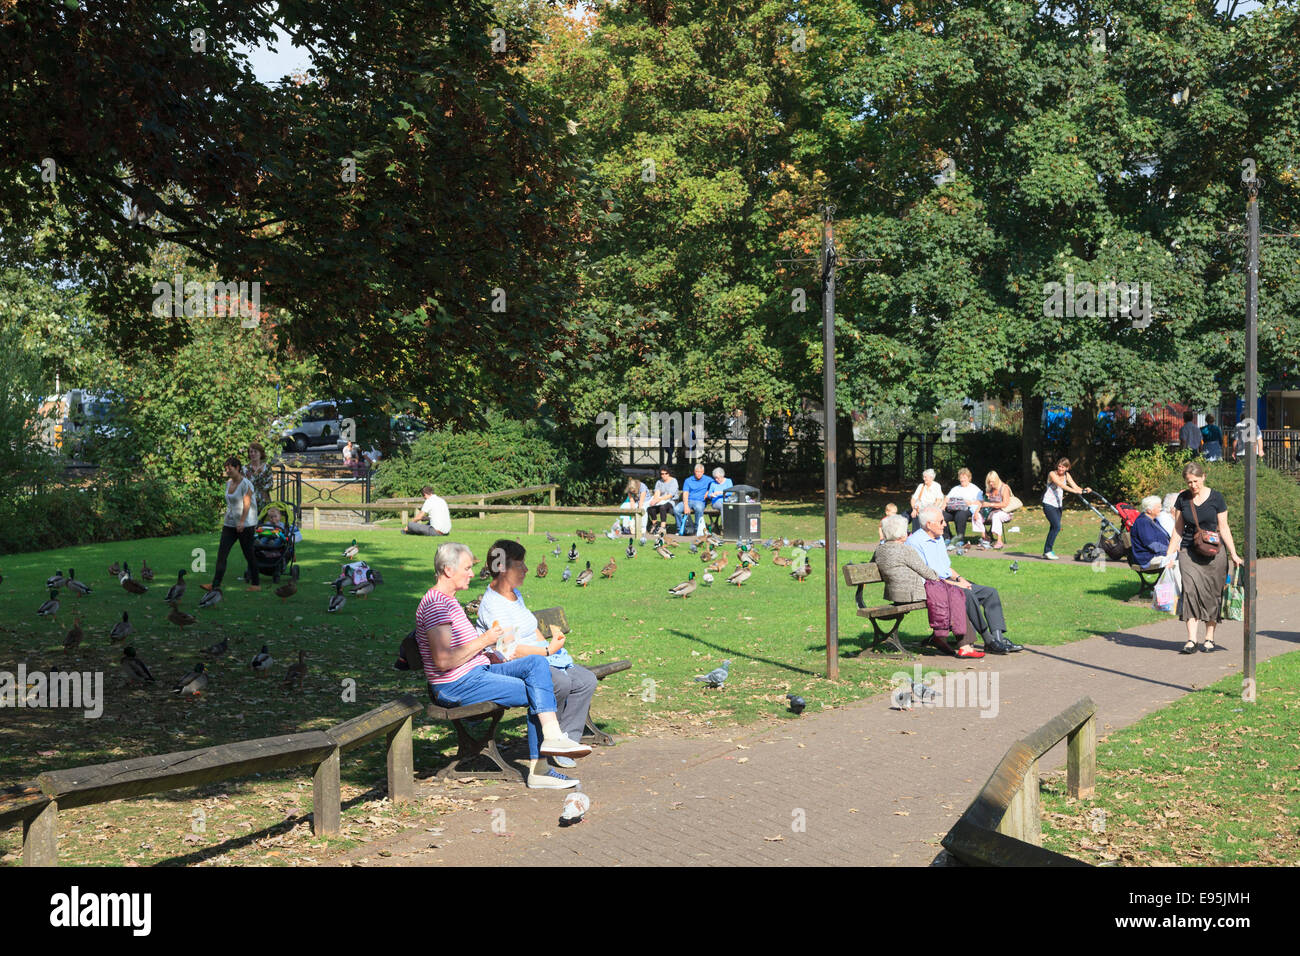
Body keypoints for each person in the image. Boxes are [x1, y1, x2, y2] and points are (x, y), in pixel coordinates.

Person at [416, 541, 590, 790]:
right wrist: (485, 641)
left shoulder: (449, 601)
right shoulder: (436, 605)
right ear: (447, 570)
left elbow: (466, 653)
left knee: (536, 664)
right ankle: (540, 768)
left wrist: (490, 655)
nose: (472, 573)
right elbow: (443, 661)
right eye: (466, 568)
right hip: (456, 685)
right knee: (539, 689)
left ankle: (552, 738)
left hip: (476, 672)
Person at [477, 539, 598, 769]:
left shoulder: (515, 594)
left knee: (585, 680)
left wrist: (555, 653)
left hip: (539, 658)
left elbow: (532, 629)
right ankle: (548, 740)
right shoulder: (494, 604)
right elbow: (509, 650)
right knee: (560, 683)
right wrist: (546, 651)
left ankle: (567, 740)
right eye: (520, 565)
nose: (526, 569)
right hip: (517, 665)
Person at [909, 507, 1022, 653]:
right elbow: (927, 577)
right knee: (966, 594)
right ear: (929, 524)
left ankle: (998, 639)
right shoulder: (915, 543)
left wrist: (960, 579)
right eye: (941, 521)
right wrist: (957, 584)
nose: (945, 524)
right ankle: (988, 640)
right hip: (933, 586)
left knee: (989, 592)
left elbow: (946, 567)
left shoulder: (938, 538)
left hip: (947, 581)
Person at [1159, 462, 1243, 654]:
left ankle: (1209, 638)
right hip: (1189, 551)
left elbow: (1224, 527)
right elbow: (1178, 530)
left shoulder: (1216, 498)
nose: (1193, 486)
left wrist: (1234, 554)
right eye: (1189, 482)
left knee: (1213, 594)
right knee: (1190, 591)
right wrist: (1169, 556)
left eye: (1195, 481)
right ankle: (1191, 640)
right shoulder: (1182, 499)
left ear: (1204, 477)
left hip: (1214, 553)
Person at [874, 514, 983, 658]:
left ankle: (941, 638)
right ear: (900, 534)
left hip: (894, 594)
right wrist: (946, 581)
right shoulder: (905, 550)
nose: (908, 533)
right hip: (911, 593)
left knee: (949, 593)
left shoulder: (880, 550)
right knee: (953, 594)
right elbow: (927, 573)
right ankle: (963, 645)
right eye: (906, 530)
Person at [203, 456, 260, 593]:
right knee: (222, 554)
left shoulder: (246, 484)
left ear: (238, 468)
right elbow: (230, 503)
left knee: (249, 554)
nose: (227, 470)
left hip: (245, 524)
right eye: (226, 468)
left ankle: (256, 584)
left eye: (230, 468)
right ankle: (215, 584)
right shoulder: (229, 483)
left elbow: (247, 504)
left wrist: (241, 522)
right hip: (230, 524)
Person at [1041, 458, 1089, 560]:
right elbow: (1061, 485)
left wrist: (1084, 490)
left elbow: (1075, 486)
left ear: (1067, 468)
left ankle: (1047, 551)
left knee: (1054, 527)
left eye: (1063, 467)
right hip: (1048, 504)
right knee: (1057, 526)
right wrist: (1075, 492)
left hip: (1058, 505)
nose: (1060, 469)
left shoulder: (1067, 475)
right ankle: (1048, 551)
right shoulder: (1052, 474)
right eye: (1059, 466)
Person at [1131, 496, 1182, 590]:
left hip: (1156, 555)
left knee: (1183, 559)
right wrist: (1170, 549)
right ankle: (1175, 593)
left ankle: (1175, 592)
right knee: (1176, 563)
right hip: (1147, 558)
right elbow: (1152, 545)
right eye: (1158, 507)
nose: (1161, 509)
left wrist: (1173, 547)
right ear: (1149, 510)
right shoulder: (1143, 522)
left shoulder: (1153, 521)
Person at [942, 468, 983, 550]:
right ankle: (947, 537)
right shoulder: (956, 488)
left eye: (964, 477)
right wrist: (942, 508)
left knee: (960, 515)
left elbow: (980, 501)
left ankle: (960, 539)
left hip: (966, 509)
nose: (962, 479)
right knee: (942, 515)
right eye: (961, 477)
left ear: (969, 478)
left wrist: (970, 503)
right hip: (953, 509)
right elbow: (947, 499)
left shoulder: (974, 488)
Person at [980, 471, 1015, 549]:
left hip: (1005, 512)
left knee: (996, 516)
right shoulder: (990, 489)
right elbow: (986, 502)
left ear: (997, 480)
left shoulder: (1004, 488)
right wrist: (986, 499)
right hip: (992, 512)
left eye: (992, 482)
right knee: (977, 515)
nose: (991, 484)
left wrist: (990, 504)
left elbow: (1005, 504)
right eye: (989, 482)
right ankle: (986, 537)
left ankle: (999, 541)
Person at [675, 462, 711, 537]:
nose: (698, 474)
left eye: (700, 472)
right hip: (688, 500)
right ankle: (681, 529)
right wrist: (685, 505)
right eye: (697, 472)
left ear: (703, 472)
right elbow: (685, 493)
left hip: (700, 501)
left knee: (698, 508)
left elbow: (716, 486)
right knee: (676, 509)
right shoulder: (688, 480)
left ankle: (697, 529)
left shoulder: (708, 480)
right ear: (694, 472)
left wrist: (708, 491)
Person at [646, 467, 678, 536]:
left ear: (669, 473)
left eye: (665, 473)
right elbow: (657, 493)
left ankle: (663, 528)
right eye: (662, 474)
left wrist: (658, 499)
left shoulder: (674, 481)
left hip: (672, 501)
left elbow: (670, 495)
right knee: (651, 508)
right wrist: (654, 500)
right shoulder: (659, 482)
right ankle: (655, 525)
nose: (664, 475)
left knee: (662, 508)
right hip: (661, 501)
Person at [244, 441, 272, 513]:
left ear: (261, 453)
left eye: (255, 452)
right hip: (250, 501)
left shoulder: (267, 467)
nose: (253, 454)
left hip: (264, 500)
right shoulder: (245, 468)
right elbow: (246, 485)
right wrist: (257, 473)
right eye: (251, 452)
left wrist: (256, 487)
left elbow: (270, 484)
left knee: (264, 522)